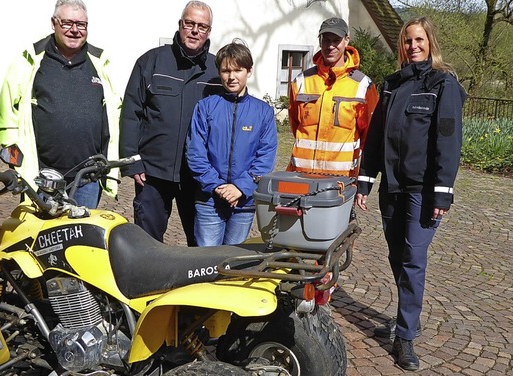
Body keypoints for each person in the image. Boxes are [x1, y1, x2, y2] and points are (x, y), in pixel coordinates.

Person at [355, 17, 466, 371]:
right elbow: (374, 137)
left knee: (413, 260)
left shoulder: (443, 84)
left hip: (422, 191)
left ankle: (405, 337)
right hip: (392, 187)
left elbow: (448, 143)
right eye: (406, 41)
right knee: (396, 256)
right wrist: (364, 180)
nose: (412, 46)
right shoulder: (391, 85)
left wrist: (442, 194)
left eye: (419, 39)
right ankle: (407, 317)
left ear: (430, 42)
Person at [0, 0, 120, 209]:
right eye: (67, 23)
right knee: (46, 238)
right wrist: (13, 155)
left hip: (87, 178)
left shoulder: (100, 63)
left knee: (83, 238)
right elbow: (6, 112)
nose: (74, 30)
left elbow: (116, 112)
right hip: (43, 178)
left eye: (81, 25)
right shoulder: (30, 61)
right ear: (54, 23)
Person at [119, 1, 221, 246]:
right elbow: (131, 112)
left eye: (202, 26)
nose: (195, 30)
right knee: (147, 244)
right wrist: (132, 161)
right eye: (190, 24)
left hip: (198, 175)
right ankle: (148, 284)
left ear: (209, 32)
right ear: (180, 25)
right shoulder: (151, 62)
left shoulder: (217, 71)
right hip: (153, 173)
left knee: (201, 246)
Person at [185, 39, 277, 246]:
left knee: (233, 262)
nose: (232, 76)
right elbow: (195, 152)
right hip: (209, 200)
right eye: (226, 70)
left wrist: (240, 188)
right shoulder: (205, 107)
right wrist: (217, 186)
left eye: (238, 70)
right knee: (206, 263)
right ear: (219, 72)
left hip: (243, 202)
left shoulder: (263, 112)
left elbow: (265, 157)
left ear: (249, 71)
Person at [286, 17, 378, 179]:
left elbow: (369, 136)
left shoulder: (363, 85)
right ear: (320, 41)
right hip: (301, 175)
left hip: (342, 179)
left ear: (346, 40)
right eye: (326, 40)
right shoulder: (301, 81)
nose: (330, 46)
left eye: (336, 40)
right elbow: (295, 125)